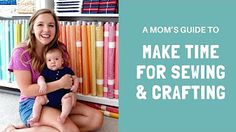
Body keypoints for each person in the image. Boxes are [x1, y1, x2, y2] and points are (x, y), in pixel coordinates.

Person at [5, 8, 103, 132]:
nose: (46, 30)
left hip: (58, 99)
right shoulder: (20, 53)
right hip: (33, 103)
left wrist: (72, 94)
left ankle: (43, 126)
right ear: (32, 28)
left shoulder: (60, 49)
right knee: (69, 129)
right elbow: (27, 90)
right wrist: (60, 84)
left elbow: (66, 75)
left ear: (56, 29)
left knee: (96, 119)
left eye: (51, 25)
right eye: (40, 24)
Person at [29, 47, 79, 126]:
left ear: (62, 61)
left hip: (62, 97)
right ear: (46, 62)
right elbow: (40, 78)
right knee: (38, 99)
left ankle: (63, 116)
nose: (53, 62)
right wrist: (42, 83)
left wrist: (75, 86)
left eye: (56, 59)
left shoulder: (67, 70)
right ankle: (35, 116)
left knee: (68, 100)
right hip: (48, 97)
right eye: (49, 60)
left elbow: (75, 78)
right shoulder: (46, 71)